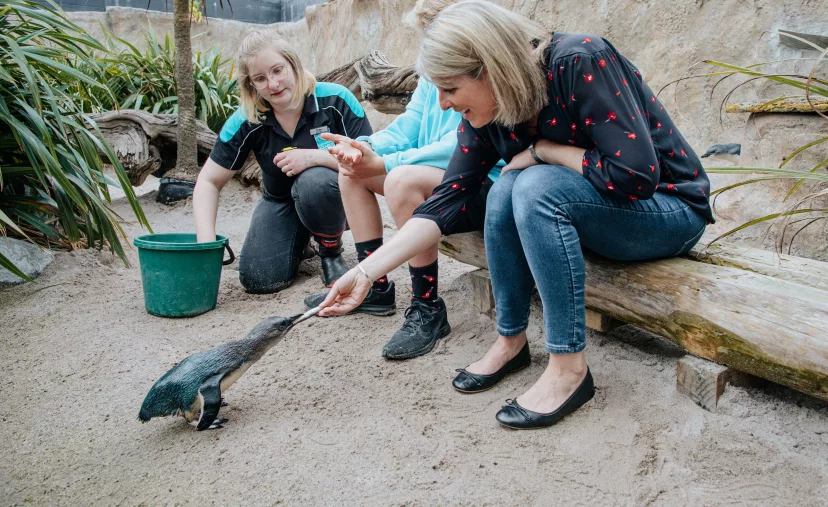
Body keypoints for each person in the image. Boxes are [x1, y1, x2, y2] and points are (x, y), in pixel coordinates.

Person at [317, 0, 713, 429]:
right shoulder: (490, 109)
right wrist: (366, 272)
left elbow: (635, 175)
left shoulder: (579, 60)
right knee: (506, 186)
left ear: (488, 68)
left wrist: (545, 151)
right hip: (602, 213)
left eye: (449, 89)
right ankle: (510, 340)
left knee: (533, 183)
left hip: (666, 210)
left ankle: (569, 368)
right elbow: (449, 198)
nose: (445, 104)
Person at [303, 0, 504, 360]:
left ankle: (427, 306)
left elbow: (458, 148)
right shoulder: (432, 75)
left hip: (481, 185)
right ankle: (376, 287)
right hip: (431, 175)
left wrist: (385, 162)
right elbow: (408, 127)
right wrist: (363, 148)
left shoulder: (480, 74)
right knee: (354, 172)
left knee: (400, 180)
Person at [193, 29, 372, 293]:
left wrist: (314, 157)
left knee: (314, 181)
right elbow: (208, 181)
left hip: (336, 195)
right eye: (261, 78)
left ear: (294, 65)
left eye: (278, 71)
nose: (273, 84)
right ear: (250, 84)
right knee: (260, 279)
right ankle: (301, 241)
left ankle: (330, 252)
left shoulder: (336, 99)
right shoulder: (247, 119)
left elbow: (372, 159)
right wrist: (205, 245)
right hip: (280, 200)